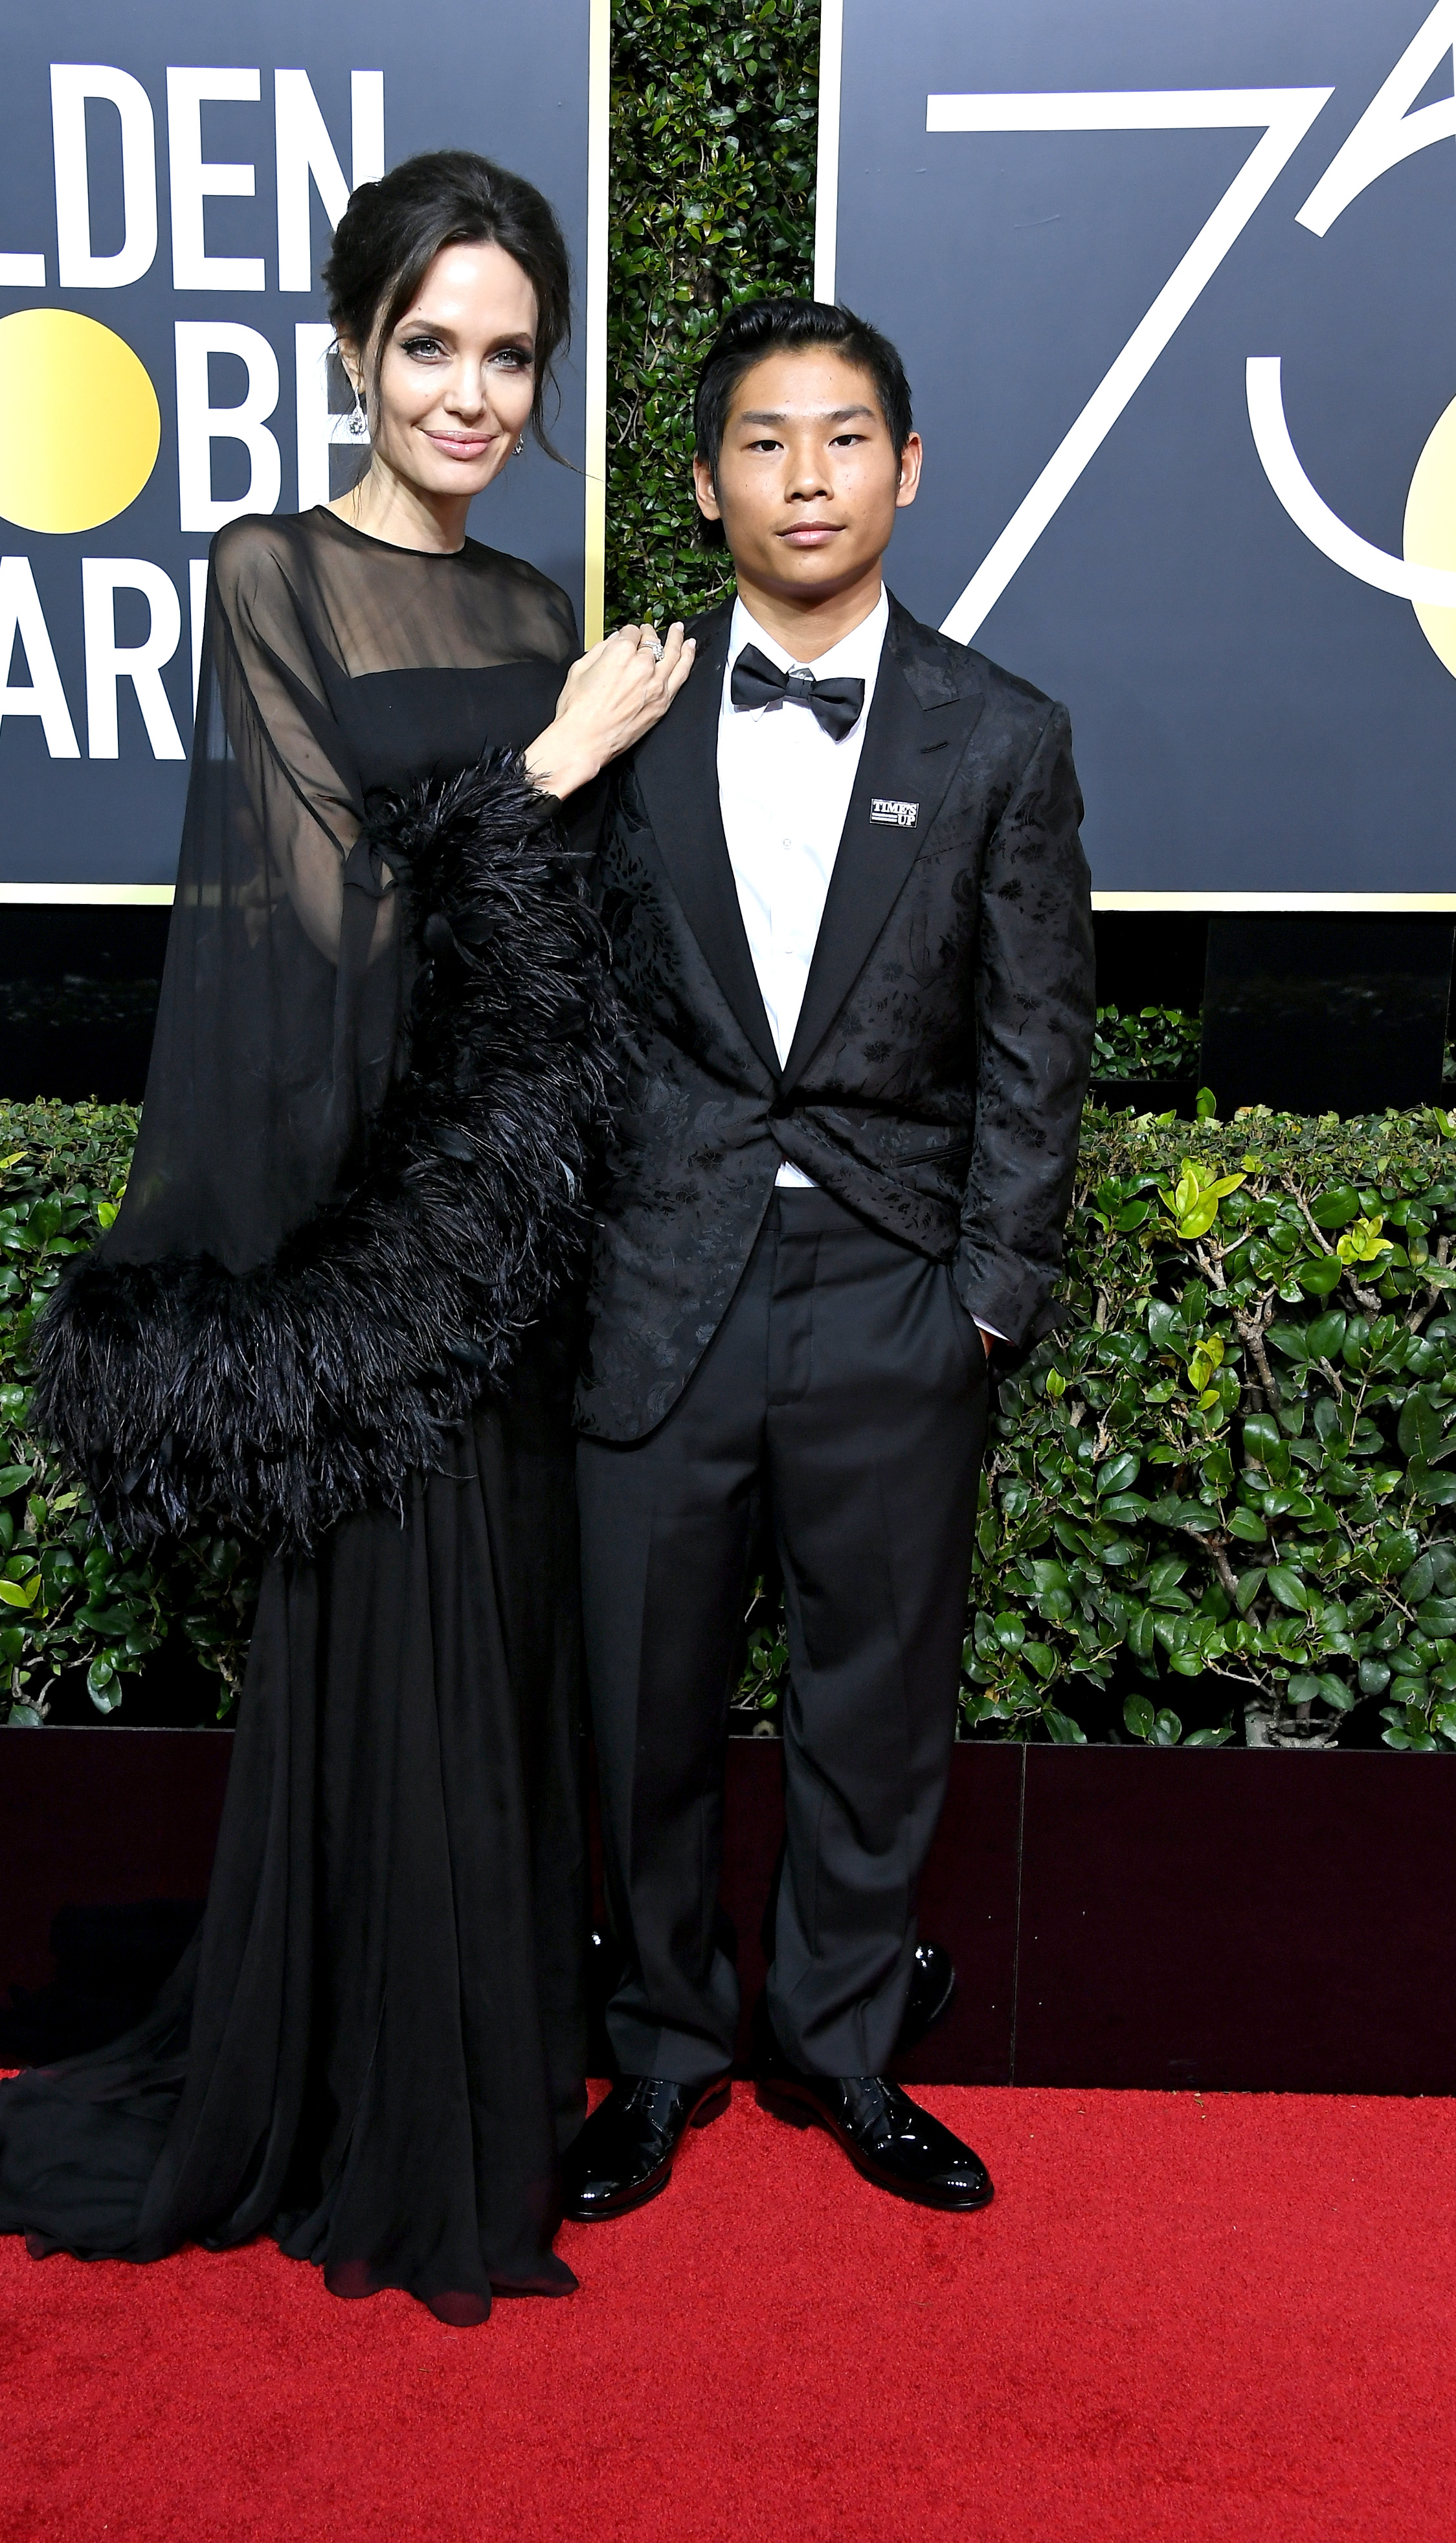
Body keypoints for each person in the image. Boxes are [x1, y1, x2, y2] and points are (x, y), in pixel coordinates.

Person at [0, 151, 693, 2326]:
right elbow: (309, 928)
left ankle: (470, 2087)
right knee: (388, 1674)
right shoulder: (273, 571)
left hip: (512, 1251)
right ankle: (354, 2111)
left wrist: (557, 796)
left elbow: (560, 963)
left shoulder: (542, 605)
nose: (469, 391)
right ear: (356, 349)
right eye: (430, 345)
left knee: (505, 1680)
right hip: (368, 1264)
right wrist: (544, 775)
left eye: (508, 353)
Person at [564, 297, 1093, 2222]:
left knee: (874, 1702)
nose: (808, 475)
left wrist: (986, 1298)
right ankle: (655, 2056)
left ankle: (849, 2050)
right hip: (656, 1288)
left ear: (907, 468)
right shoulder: (618, 706)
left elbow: (1040, 1046)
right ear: (705, 484)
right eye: (767, 443)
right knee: (640, 1706)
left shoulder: (1002, 736)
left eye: (845, 437)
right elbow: (534, 1007)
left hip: (890, 1297)